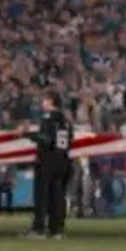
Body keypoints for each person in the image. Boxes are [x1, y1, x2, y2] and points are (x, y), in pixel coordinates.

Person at [20, 91, 74, 239]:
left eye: (44, 100)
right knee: (57, 196)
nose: (42, 103)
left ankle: (38, 228)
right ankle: (56, 229)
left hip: (48, 160)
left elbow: (46, 139)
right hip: (63, 159)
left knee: (42, 195)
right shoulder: (66, 120)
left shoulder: (49, 118)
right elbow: (70, 140)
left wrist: (27, 134)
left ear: (51, 101)